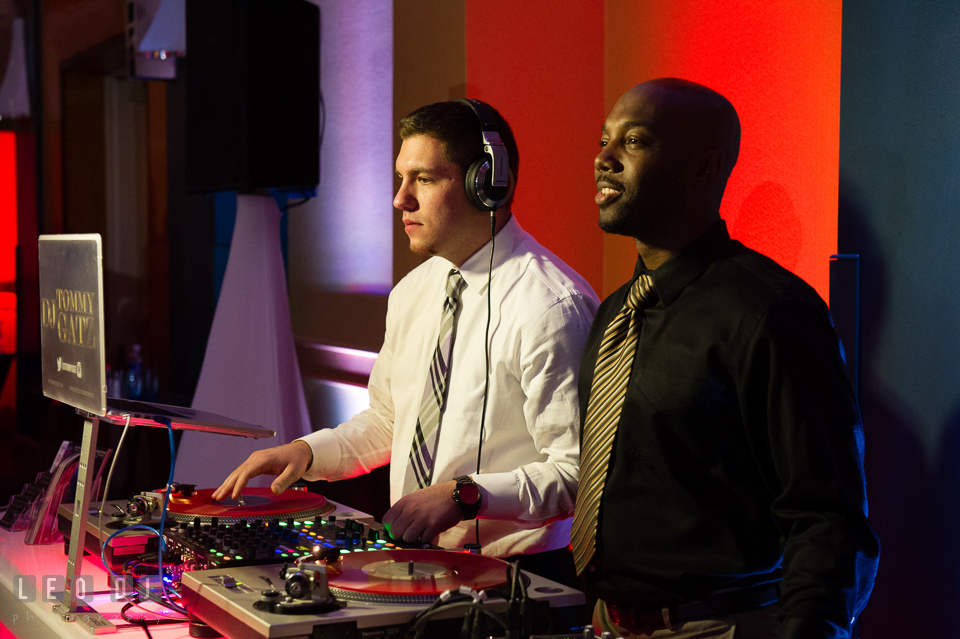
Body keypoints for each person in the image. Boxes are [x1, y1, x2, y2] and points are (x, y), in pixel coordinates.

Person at [214, 100, 598, 585]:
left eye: (425, 179)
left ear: (488, 184)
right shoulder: (414, 292)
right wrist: (308, 452)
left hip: (518, 579)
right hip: (417, 564)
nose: (400, 199)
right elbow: (389, 421)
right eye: (400, 178)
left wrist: (465, 496)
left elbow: (579, 473)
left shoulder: (550, 306)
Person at [570, 78, 879, 638]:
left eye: (634, 142)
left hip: (716, 626)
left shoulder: (768, 310)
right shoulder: (617, 311)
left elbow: (826, 516)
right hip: (606, 623)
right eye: (604, 141)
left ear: (703, 168)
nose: (604, 159)